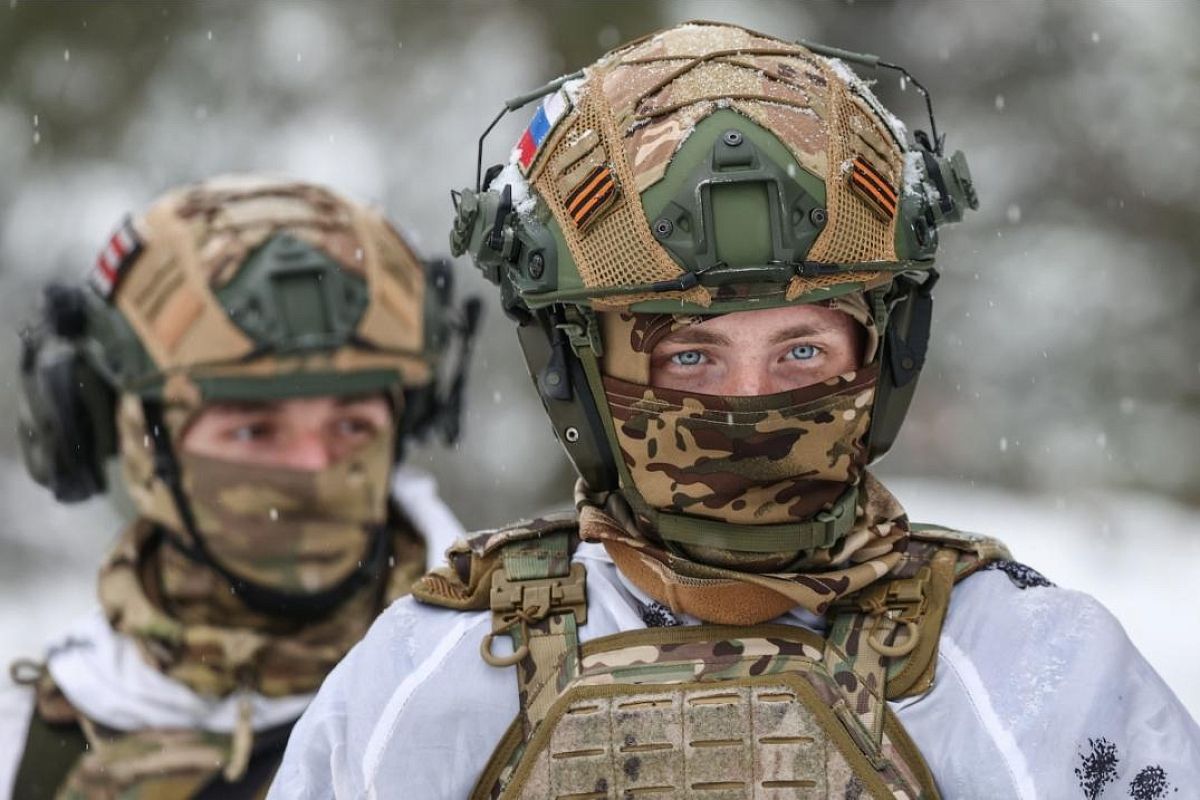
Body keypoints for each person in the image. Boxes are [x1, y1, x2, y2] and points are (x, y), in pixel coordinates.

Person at [270, 22, 1200, 799]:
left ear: (884, 356)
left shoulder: (1035, 671)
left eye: (802, 351)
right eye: (690, 356)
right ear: (578, 376)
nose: (753, 404)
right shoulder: (431, 684)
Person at [1, 174, 478, 798]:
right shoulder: (24, 744)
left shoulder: (519, 689)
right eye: (254, 430)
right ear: (136, 440)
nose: (311, 465)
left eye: (351, 424)